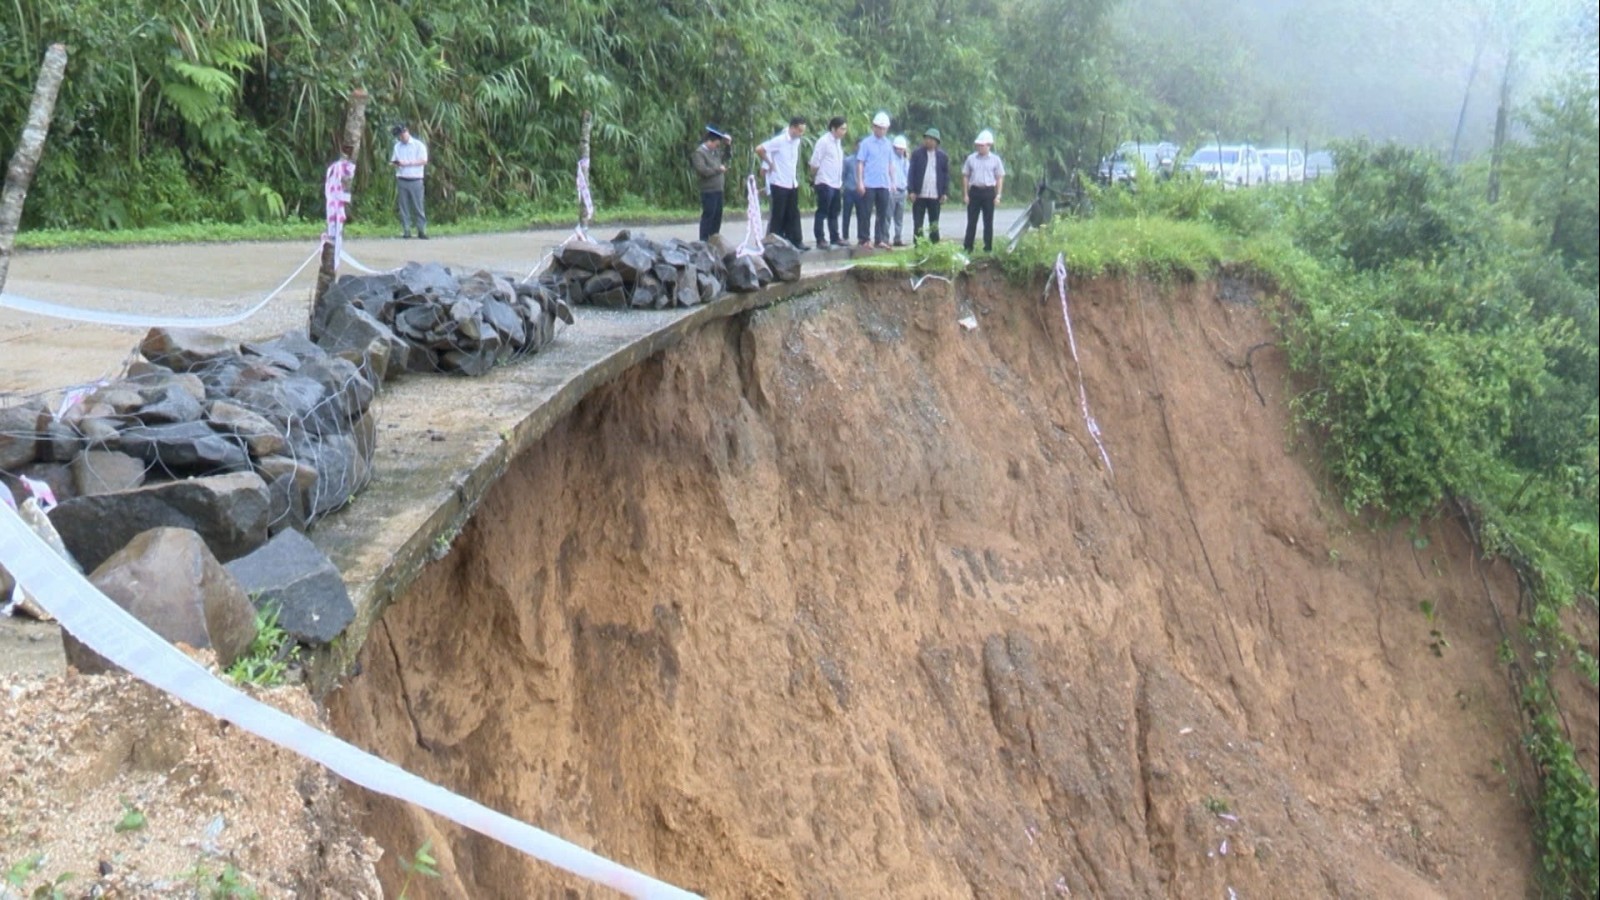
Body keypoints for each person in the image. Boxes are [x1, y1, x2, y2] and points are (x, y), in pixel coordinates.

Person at [755, 116, 809, 249]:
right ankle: (773, 242)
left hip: (791, 181)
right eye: (799, 130)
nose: (801, 134)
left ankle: (796, 240)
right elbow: (759, 149)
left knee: (793, 213)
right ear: (792, 128)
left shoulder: (796, 141)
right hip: (779, 182)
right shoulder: (779, 140)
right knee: (778, 214)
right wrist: (769, 163)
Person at [855, 111, 895, 249]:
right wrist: (860, 181)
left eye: (884, 128)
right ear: (874, 127)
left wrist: (892, 181)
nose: (881, 130)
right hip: (869, 183)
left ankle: (880, 239)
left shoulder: (888, 144)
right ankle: (864, 239)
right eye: (879, 127)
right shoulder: (866, 143)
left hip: (883, 183)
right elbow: (860, 162)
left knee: (882, 213)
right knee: (865, 212)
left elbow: (890, 164)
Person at [962, 129, 1005, 253]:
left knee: (988, 222)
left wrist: (998, 195)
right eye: (978, 145)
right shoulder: (971, 158)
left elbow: (999, 177)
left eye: (982, 145)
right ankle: (968, 247)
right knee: (971, 221)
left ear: (988, 145)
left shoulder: (995, 160)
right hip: (975, 191)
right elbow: (965, 175)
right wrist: (966, 194)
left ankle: (988, 248)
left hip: (988, 192)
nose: (980, 147)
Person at [809, 116, 848, 248]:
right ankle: (820, 239)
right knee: (822, 211)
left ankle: (835, 237)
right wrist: (815, 178)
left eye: (845, 129)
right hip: (824, 181)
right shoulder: (824, 141)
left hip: (836, 183)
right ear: (833, 128)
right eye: (842, 129)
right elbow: (815, 162)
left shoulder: (838, 143)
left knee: (834, 212)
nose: (844, 132)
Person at [908, 127, 949, 245]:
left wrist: (944, 193)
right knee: (918, 223)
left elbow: (946, 176)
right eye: (926, 138)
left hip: (935, 194)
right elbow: (911, 172)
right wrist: (911, 191)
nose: (928, 141)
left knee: (934, 223)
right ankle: (918, 246)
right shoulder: (917, 154)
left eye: (931, 139)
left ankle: (934, 246)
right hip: (919, 194)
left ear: (937, 142)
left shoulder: (942, 157)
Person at [692, 125, 732, 241]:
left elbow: (726, 158)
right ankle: (703, 241)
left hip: (718, 189)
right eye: (716, 144)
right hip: (708, 190)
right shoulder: (699, 153)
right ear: (709, 142)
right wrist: (718, 170)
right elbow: (703, 171)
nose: (716, 147)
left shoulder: (714, 152)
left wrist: (728, 145)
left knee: (717, 217)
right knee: (708, 216)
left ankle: (714, 240)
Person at [389, 123, 428, 239]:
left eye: (402, 134)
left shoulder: (418, 145)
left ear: (406, 132)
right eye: (399, 136)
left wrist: (408, 163)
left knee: (418, 206)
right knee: (404, 206)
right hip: (402, 178)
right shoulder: (397, 146)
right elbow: (393, 160)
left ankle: (421, 230)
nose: (401, 137)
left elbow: (424, 160)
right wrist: (396, 163)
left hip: (416, 178)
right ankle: (406, 230)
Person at [889, 135, 910, 246]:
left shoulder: (905, 160)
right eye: (898, 148)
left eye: (902, 148)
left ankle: (898, 238)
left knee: (899, 217)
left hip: (902, 190)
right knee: (888, 215)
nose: (901, 150)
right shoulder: (890, 158)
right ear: (894, 148)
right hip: (892, 190)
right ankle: (884, 238)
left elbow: (908, 175)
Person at [840, 137, 860, 243]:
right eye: (858, 146)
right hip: (849, 190)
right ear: (855, 146)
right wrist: (844, 185)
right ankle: (845, 236)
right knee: (846, 214)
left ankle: (861, 237)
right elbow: (843, 174)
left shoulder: (865, 160)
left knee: (862, 215)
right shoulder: (848, 160)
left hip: (860, 190)